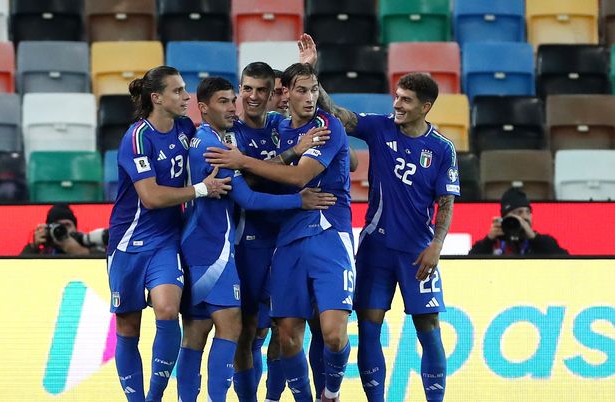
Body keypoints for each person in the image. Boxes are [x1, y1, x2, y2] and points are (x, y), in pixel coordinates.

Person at [176, 76, 336, 402]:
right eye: (226, 100)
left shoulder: (210, 137)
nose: (234, 105)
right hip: (219, 248)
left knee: (204, 334)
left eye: (231, 99)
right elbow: (247, 198)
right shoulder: (215, 145)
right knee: (235, 330)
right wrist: (299, 198)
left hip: (211, 244)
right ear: (203, 108)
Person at [320, 72, 459, 402]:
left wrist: (436, 246)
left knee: (429, 327)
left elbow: (446, 202)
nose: (397, 104)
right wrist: (313, 72)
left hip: (418, 252)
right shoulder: (379, 127)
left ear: (425, 107)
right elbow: (337, 114)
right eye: (396, 97)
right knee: (369, 327)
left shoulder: (442, 149)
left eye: (406, 100)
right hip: (375, 248)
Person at [106, 66, 232, 402]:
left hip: (166, 241)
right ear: (156, 98)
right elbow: (151, 196)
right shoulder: (137, 138)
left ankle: (155, 397)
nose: (185, 97)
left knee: (166, 309)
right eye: (177, 91)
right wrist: (202, 190)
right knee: (128, 328)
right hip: (128, 242)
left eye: (184, 90)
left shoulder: (185, 128)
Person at [228, 62, 328, 402]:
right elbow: (245, 184)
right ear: (240, 90)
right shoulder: (231, 135)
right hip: (248, 239)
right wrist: (292, 154)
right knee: (248, 330)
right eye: (247, 89)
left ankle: (272, 397)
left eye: (261, 90)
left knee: (282, 327)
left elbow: (353, 163)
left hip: (287, 238)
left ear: (274, 94)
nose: (253, 97)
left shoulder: (279, 125)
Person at [469, 187, 568, 255]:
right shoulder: (494, 243)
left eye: (528, 212)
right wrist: (488, 240)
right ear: (506, 218)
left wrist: (534, 238)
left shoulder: (543, 243)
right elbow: (466, 266)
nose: (525, 217)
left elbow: (568, 262)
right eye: (519, 212)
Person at [20, 203, 106, 255]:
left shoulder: (89, 245)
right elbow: (19, 270)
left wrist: (79, 251)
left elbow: (107, 263)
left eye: (67, 225)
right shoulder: (43, 252)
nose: (63, 229)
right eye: (58, 226)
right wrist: (33, 247)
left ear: (75, 228)